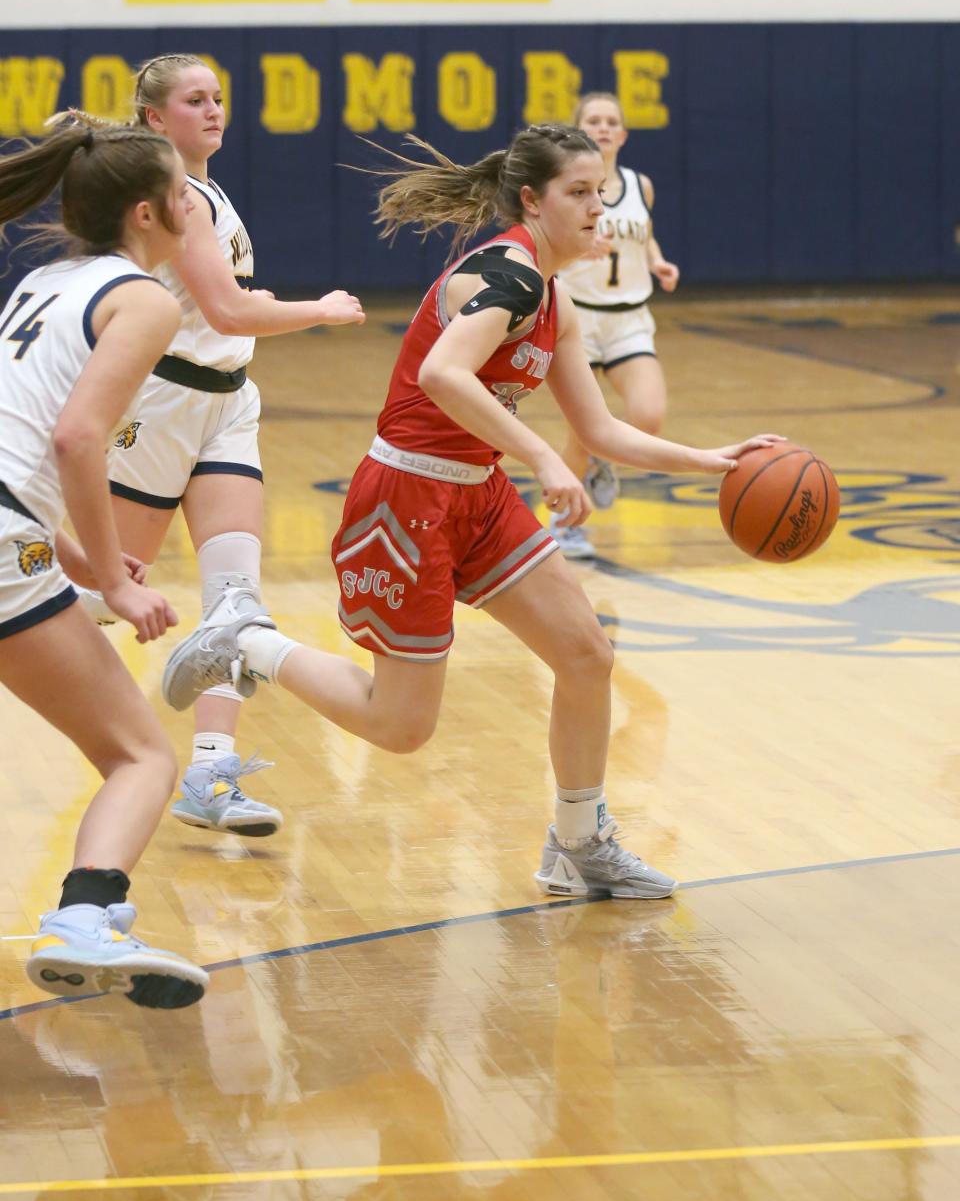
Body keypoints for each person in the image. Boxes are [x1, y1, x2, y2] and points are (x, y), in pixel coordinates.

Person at [160, 125, 782, 900]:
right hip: (407, 496)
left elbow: (599, 428)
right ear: (533, 200)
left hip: (476, 494)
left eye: (600, 192)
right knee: (401, 728)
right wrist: (544, 459)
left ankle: (578, 843)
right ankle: (246, 642)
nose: (599, 209)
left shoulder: (553, 295)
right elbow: (443, 372)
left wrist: (713, 460)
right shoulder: (510, 275)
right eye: (578, 194)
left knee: (586, 655)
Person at [90, 53, 364, 839]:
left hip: (227, 403)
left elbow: (224, 308)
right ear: (153, 118)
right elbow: (227, 311)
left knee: (235, 606)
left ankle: (210, 773)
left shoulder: (206, 192)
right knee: (107, 597)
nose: (213, 110)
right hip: (166, 402)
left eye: (218, 98)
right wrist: (321, 308)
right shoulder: (175, 197)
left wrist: (249, 306)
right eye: (193, 100)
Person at [0, 116, 209, 1006]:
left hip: (14, 529)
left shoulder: (46, 280)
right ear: (150, 212)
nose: (194, 194)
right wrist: (118, 583)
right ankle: (85, 919)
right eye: (182, 185)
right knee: (142, 758)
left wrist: (84, 560)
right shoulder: (145, 298)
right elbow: (77, 437)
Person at [553, 91, 680, 559]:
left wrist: (658, 261)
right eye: (594, 120)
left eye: (611, 121)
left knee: (648, 416)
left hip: (628, 317)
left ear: (622, 134)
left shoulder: (639, 185)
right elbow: (545, 241)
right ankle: (563, 525)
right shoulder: (563, 186)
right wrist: (578, 247)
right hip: (576, 320)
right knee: (582, 432)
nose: (604, 127)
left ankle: (604, 462)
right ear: (578, 132)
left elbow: (642, 233)